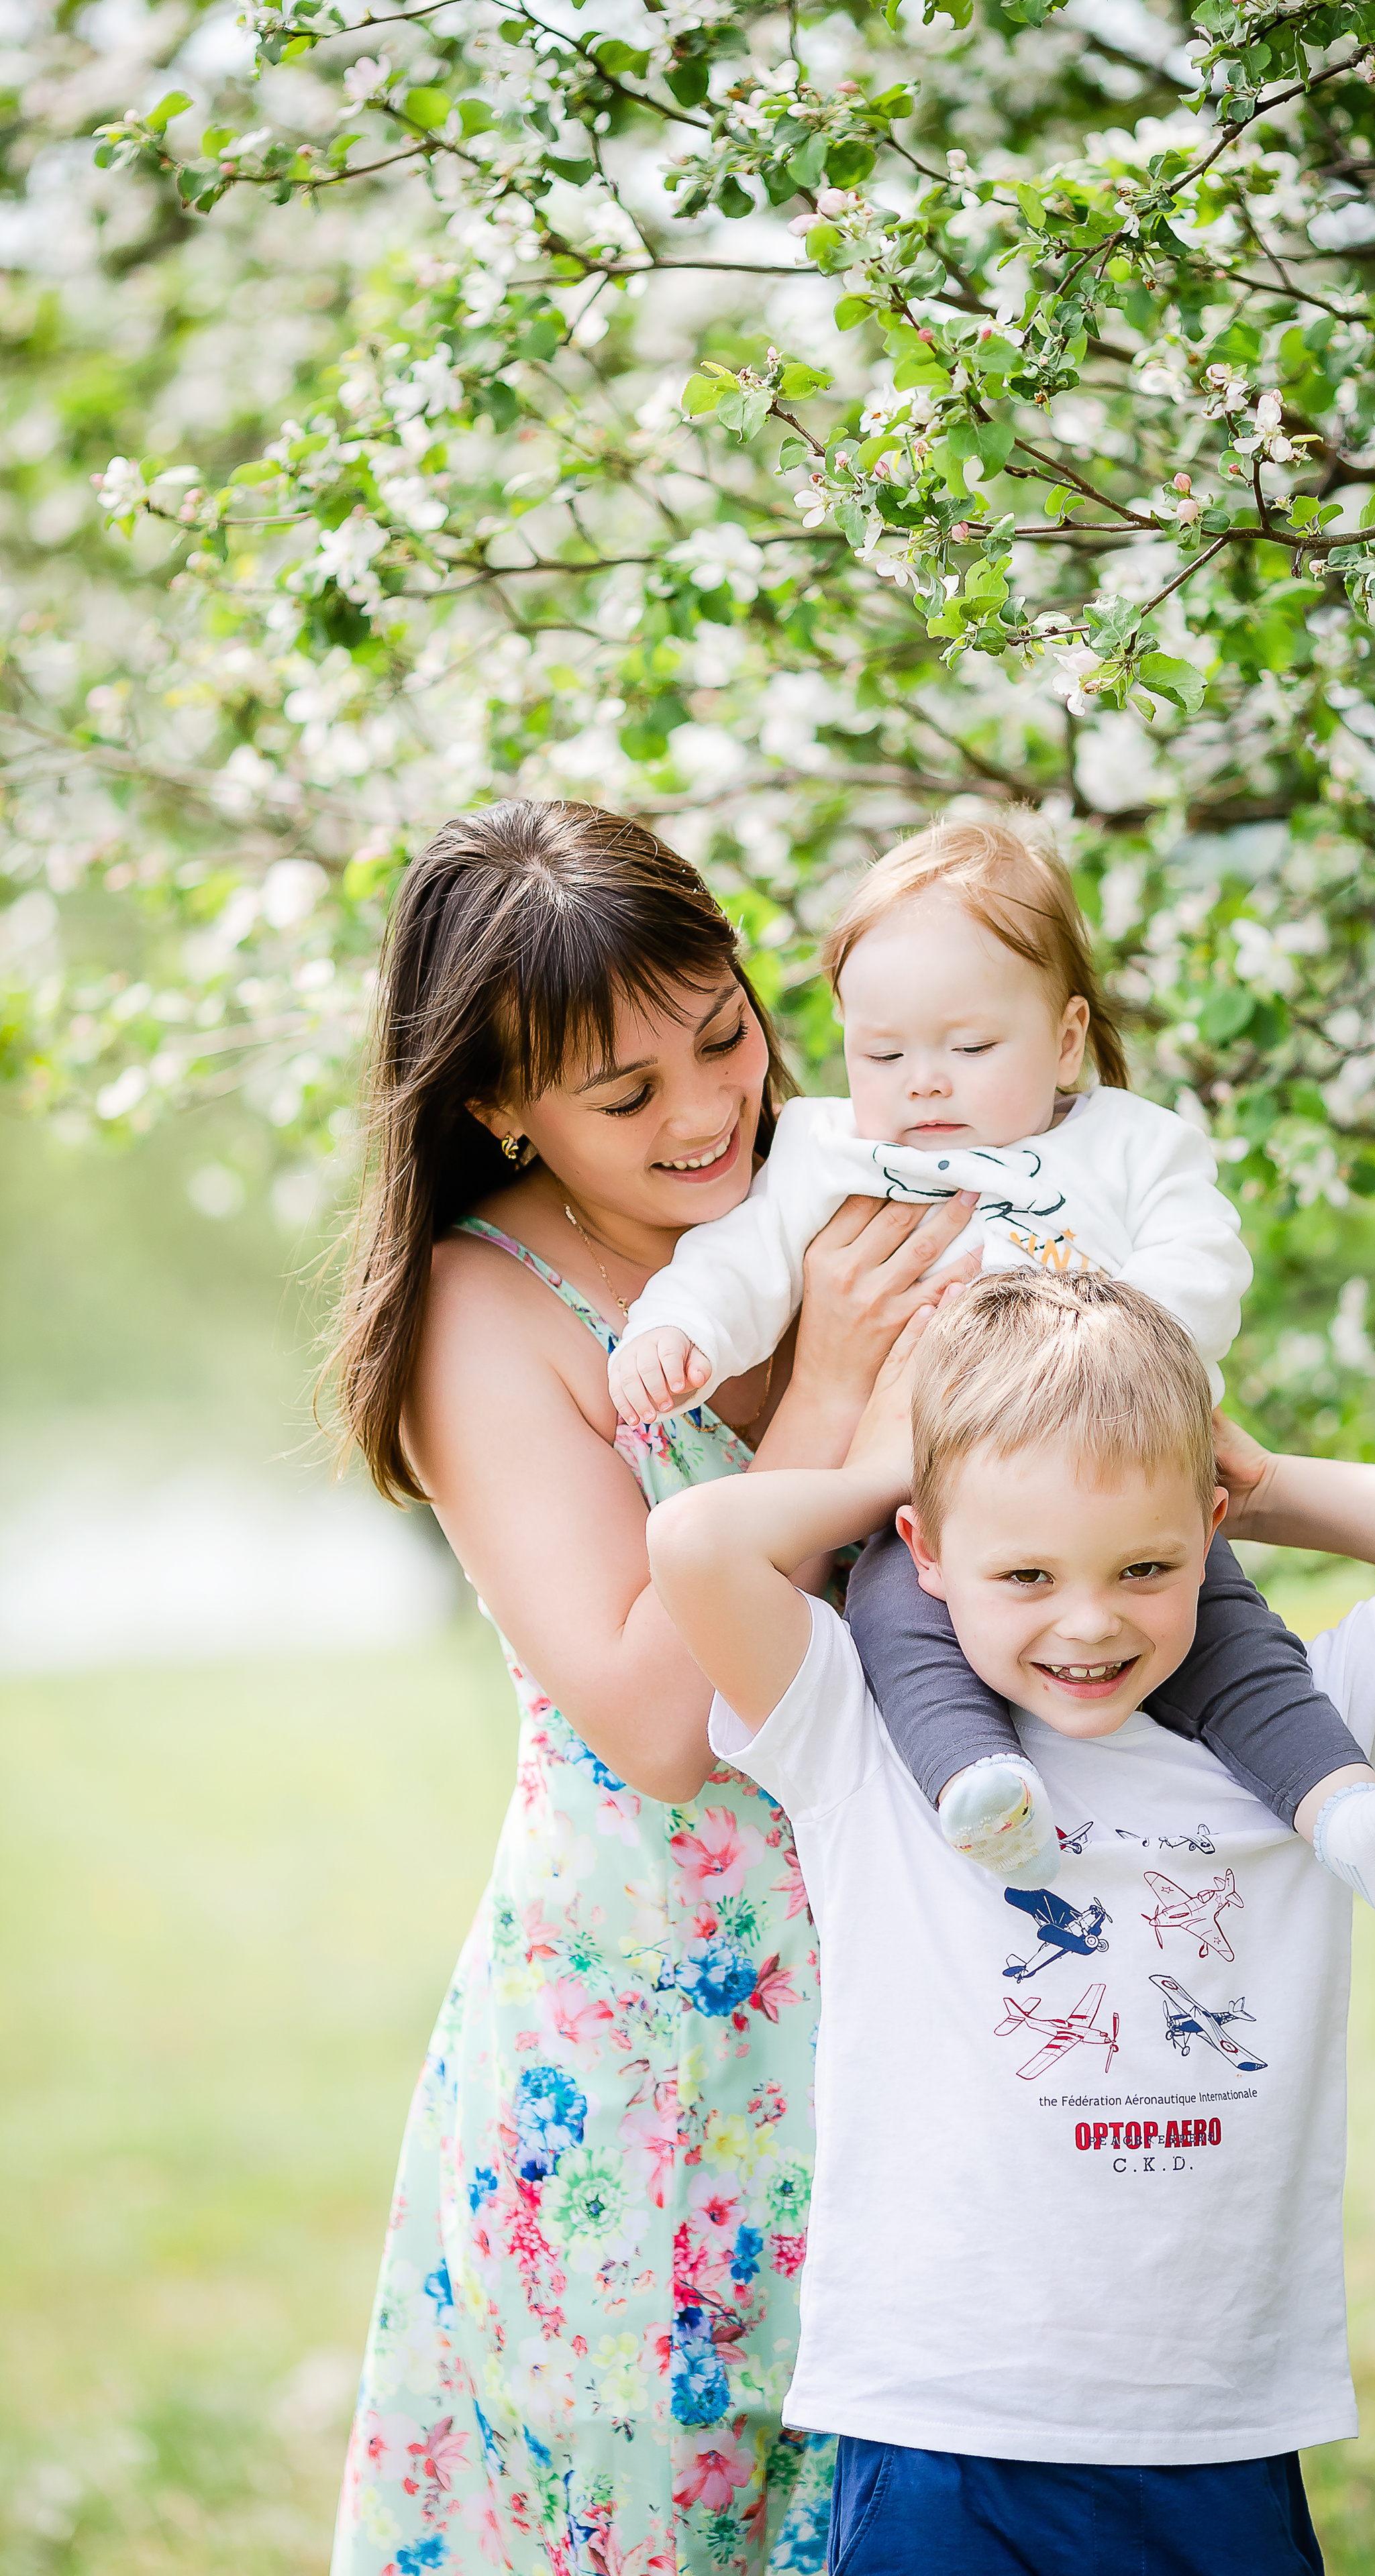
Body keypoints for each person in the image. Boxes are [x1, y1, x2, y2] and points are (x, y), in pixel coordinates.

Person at [646, 1269, 1375, 2575]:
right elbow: (693, 1543)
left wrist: (1238, 1469)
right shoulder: (858, 1731)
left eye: (1145, 1566)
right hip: (940, 2426)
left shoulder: (1302, 1732)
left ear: (1205, 1530)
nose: (1087, 1622)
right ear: (922, 1551)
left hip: (1212, 2424)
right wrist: (911, 1466)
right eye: (1021, 1572)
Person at [325, 800, 980, 2576]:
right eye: (626, 1095)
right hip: (662, 2050)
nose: (706, 1113)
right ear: (496, 1104)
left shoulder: (829, 1195)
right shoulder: (495, 1308)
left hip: (915, 1991)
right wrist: (836, 1382)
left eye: (723, 1038)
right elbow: (660, 1721)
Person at [616, 812, 1375, 1913]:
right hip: (935, 1513)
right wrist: (674, 1331)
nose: (924, 1084)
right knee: (896, 1625)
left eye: (969, 1049)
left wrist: (1116, 1347)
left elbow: (1202, 1260)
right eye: (882, 1053)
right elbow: (739, 1260)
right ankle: (985, 1796)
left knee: (1236, 1642)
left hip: (1117, 1483)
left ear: (1065, 1039)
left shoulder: (1128, 1142)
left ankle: (1355, 1819)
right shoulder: (830, 1154)